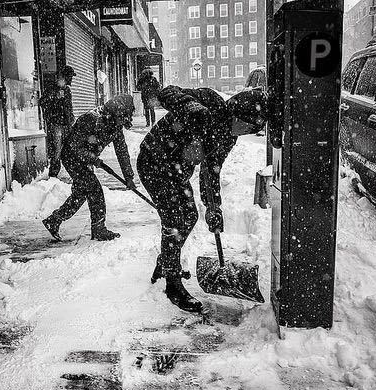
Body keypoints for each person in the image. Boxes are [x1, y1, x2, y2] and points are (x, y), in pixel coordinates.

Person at [137, 85, 267, 312]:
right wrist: (192, 107)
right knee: (175, 219)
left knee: (189, 216)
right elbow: (167, 92)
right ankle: (172, 285)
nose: (246, 132)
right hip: (154, 162)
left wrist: (213, 206)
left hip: (175, 171)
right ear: (239, 114)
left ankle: (166, 262)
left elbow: (211, 171)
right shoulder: (209, 102)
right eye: (248, 126)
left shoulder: (228, 137)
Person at [42, 94, 137, 242]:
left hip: (85, 158)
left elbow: (122, 151)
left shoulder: (115, 126)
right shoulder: (91, 119)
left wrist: (129, 177)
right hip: (71, 157)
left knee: (80, 194)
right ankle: (98, 229)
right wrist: (93, 159)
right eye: (123, 117)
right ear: (116, 113)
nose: (123, 122)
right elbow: (74, 146)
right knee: (94, 189)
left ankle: (54, 220)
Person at [42, 65, 76, 178]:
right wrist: (54, 96)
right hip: (56, 124)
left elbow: (69, 107)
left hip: (66, 124)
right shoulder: (52, 88)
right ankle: (53, 174)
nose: (71, 80)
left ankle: (71, 173)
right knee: (57, 149)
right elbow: (43, 102)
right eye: (70, 77)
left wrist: (71, 120)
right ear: (65, 77)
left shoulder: (67, 90)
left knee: (68, 148)